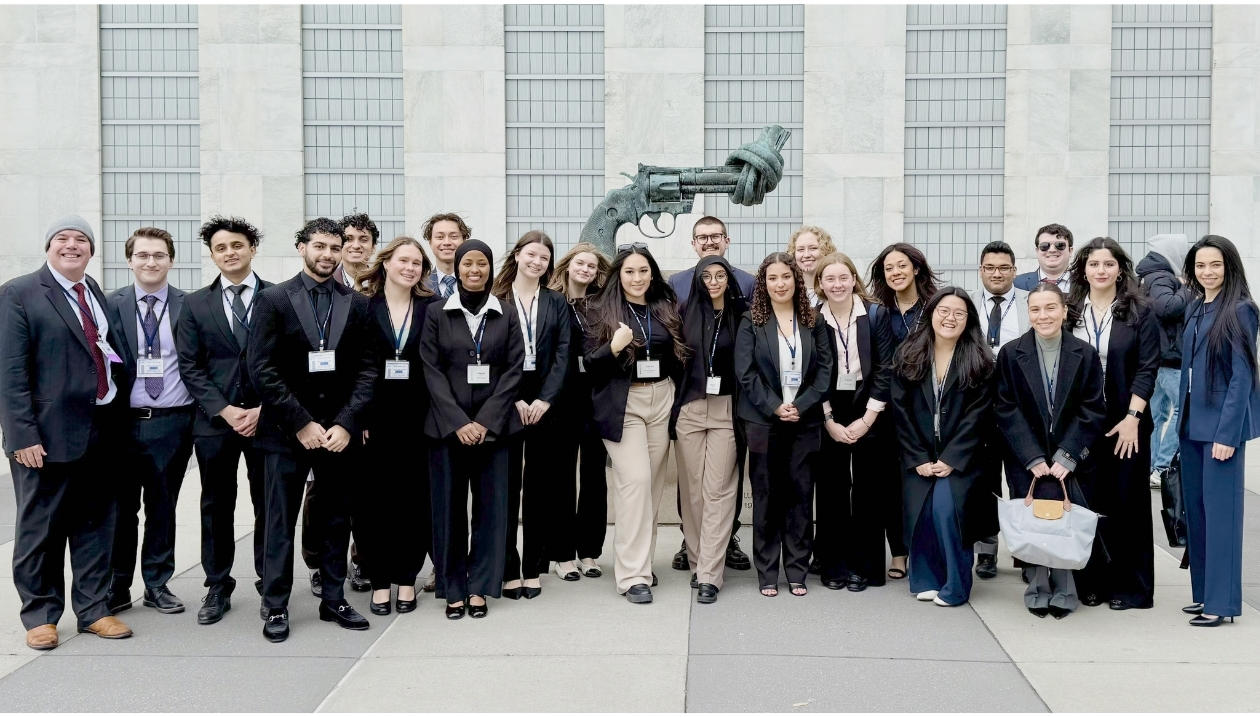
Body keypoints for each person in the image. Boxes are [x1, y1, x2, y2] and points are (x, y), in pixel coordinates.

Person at [1, 216, 135, 650]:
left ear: (92, 251)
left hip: (100, 430)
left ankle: (94, 609)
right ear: (48, 247)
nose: (72, 245)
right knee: (41, 527)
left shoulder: (93, 291)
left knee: (96, 525)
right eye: (63, 238)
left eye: (81, 240)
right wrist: (22, 435)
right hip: (46, 436)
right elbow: (10, 372)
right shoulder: (20, 293)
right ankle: (41, 614)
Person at [248, 218, 379, 642]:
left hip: (338, 435)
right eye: (319, 246)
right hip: (287, 433)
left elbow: (367, 370)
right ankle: (275, 605)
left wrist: (345, 423)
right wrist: (301, 422)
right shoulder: (272, 299)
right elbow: (262, 369)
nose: (327, 254)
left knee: (336, 519)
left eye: (334, 247)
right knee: (279, 522)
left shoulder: (357, 304)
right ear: (302, 247)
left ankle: (334, 599)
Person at [420, 240, 524, 620]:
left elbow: (514, 371)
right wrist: (460, 423)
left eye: (482, 263)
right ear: (457, 268)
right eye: (468, 264)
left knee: (491, 511)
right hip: (447, 431)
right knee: (447, 511)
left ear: (491, 268)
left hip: (495, 431)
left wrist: (484, 422)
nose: (474, 270)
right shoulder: (436, 313)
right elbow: (430, 370)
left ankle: (480, 587)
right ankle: (453, 588)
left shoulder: (506, 313)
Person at [175, 215, 271, 625]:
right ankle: (217, 584)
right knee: (216, 504)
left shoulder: (278, 298)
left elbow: (287, 360)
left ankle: (272, 581)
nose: (229, 253)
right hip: (216, 423)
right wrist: (227, 410)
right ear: (212, 255)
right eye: (220, 248)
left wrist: (263, 408)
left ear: (252, 248)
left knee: (271, 503)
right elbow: (190, 366)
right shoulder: (194, 304)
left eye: (237, 245)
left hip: (269, 420)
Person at [994, 283, 1107, 619]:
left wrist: (1067, 455)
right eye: (1035, 309)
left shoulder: (1084, 353)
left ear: (1063, 311)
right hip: (1025, 456)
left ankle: (1066, 586)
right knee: (1035, 520)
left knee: (1063, 520)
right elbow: (1005, 407)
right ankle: (1038, 586)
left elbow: (1093, 408)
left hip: (1069, 457)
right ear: (1028, 313)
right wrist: (1032, 457)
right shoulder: (1011, 353)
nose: (1043, 315)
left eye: (1050, 308)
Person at [584, 244, 688, 604]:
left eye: (644, 271)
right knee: (636, 481)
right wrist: (613, 348)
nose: (637, 278)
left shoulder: (664, 307)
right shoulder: (598, 308)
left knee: (652, 486)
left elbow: (679, 357)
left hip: (661, 397)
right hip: (623, 402)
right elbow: (588, 365)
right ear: (618, 274)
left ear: (652, 274)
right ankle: (631, 576)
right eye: (630, 271)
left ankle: (641, 561)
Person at [1066, 237, 1160, 610]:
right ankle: (1092, 582)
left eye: (1108, 264)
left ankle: (1131, 588)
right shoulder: (1071, 309)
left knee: (1127, 503)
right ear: (1083, 269)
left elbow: (1148, 367)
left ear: (1120, 268)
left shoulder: (1140, 311)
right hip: (1084, 422)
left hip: (1126, 423)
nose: (1100, 271)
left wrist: (1133, 418)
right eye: (1093, 264)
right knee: (1089, 502)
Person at [107, 227, 196, 617]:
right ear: (130, 260)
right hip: (123, 424)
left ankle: (158, 584)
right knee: (122, 510)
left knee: (163, 507)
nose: (150, 262)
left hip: (172, 422)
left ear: (171, 260)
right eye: (142, 255)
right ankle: (118, 585)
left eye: (158, 255)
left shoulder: (189, 305)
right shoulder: (109, 305)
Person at [736, 252, 832, 598]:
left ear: (796, 280)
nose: (780, 284)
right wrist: (776, 406)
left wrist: (801, 406)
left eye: (786, 277)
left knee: (800, 496)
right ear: (764, 283)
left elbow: (825, 372)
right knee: (766, 496)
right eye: (773, 278)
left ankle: (796, 570)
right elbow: (745, 373)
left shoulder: (813, 321)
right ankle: (766, 571)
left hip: (804, 422)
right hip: (763, 421)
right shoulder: (751, 320)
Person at [892, 288, 994, 607]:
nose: (950, 318)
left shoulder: (980, 360)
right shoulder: (909, 353)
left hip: (962, 456)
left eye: (959, 313)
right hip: (919, 452)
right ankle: (925, 578)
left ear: (969, 319)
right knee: (921, 510)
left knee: (946, 511)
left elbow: (980, 415)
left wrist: (951, 457)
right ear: (931, 313)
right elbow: (901, 409)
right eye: (943, 311)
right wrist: (918, 457)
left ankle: (956, 584)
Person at [1178, 235, 1260, 627]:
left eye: (1215, 265)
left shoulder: (1241, 310)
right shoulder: (1195, 306)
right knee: (1197, 514)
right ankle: (1203, 593)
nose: (1207, 273)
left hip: (1220, 429)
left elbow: (1242, 377)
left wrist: (1228, 435)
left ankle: (1222, 603)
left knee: (1222, 516)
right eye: (1200, 266)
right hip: (1192, 423)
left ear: (1229, 267)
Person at [666, 215, 754, 574]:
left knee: (723, 477)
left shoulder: (748, 283)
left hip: (731, 398)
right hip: (691, 393)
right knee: (692, 479)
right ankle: (692, 542)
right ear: (693, 244)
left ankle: (726, 539)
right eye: (702, 237)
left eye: (715, 236)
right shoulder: (677, 283)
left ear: (727, 240)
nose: (709, 242)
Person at [356, 236, 437, 616]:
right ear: (386, 262)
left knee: (414, 501)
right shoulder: (363, 308)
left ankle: (407, 578)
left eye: (417, 263)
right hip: (375, 422)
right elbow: (353, 368)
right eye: (403, 260)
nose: (410, 268)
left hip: (420, 420)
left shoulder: (431, 308)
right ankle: (379, 580)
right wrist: (360, 418)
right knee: (374, 504)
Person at [491, 231, 571, 598]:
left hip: (545, 409)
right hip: (507, 404)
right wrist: (514, 400)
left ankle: (533, 567)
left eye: (544, 257)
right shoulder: (496, 299)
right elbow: (489, 358)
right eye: (531, 254)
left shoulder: (556, 302)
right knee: (506, 489)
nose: (537, 262)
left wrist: (545, 400)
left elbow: (563, 356)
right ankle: (508, 567)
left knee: (541, 490)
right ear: (518, 255)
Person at [813, 252, 893, 592]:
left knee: (868, 490)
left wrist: (868, 419)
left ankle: (866, 567)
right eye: (829, 279)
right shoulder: (813, 318)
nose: (837, 284)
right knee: (831, 490)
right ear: (819, 284)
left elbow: (886, 369)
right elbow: (812, 373)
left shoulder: (875, 314)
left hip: (870, 404)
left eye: (843, 277)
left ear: (853, 279)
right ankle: (834, 564)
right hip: (829, 404)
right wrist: (829, 419)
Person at [867, 243, 940, 581]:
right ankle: (898, 553)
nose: (895, 273)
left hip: (926, 407)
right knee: (888, 484)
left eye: (901, 266)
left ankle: (924, 551)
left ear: (916, 269)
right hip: (886, 409)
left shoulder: (935, 307)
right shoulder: (879, 310)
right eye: (888, 269)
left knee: (922, 481)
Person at [546, 243, 611, 579]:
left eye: (592, 266)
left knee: (594, 475)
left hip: (595, 396)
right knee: (560, 476)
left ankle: (589, 551)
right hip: (561, 397)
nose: (586, 269)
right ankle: (561, 553)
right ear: (568, 265)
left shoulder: (601, 305)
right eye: (581, 263)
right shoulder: (552, 301)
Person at [968, 241, 1029, 579]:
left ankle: (1024, 552)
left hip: (1019, 405)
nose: (996, 273)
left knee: (1021, 479)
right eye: (990, 267)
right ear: (981, 270)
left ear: (1014, 271)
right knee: (985, 481)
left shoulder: (1027, 302)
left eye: (1003, 268)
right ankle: (986, 550)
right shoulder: (966, 303)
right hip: (979, 405)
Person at [1136, 234, 1192, 488]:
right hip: (1170, 358)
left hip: (1156, 357)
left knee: (1157, 414)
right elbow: (1166, 307)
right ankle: (1162, 465)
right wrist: (1188, 288)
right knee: (1183, 410)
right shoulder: (1162, 276)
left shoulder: (1148, 274)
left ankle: (1152, 465)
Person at [422, 212, 471, 298]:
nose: (447, 242)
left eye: (454, 236)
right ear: (430, 242)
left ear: (464, 241)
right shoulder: (419, 285)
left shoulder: (481, 283)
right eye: (440, 237)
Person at [1014, 223, 1074, 292]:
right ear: (1037, 251)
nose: (1052, 250)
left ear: (1070, 251)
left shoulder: (1085, 283)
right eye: (1045, 246)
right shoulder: (1016, 283)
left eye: (1059, 245)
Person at [787, 225, 836, 308]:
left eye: (813, 248)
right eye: (800, 249)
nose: (806, 255)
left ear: (826, 251)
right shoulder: (788, 291)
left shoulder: (837, 288)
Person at [333, 212, 378, 289]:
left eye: (363, 240)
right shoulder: (324, 283)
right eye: (348, 239)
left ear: (373, 248)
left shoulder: (385, 284)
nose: (356, 246)